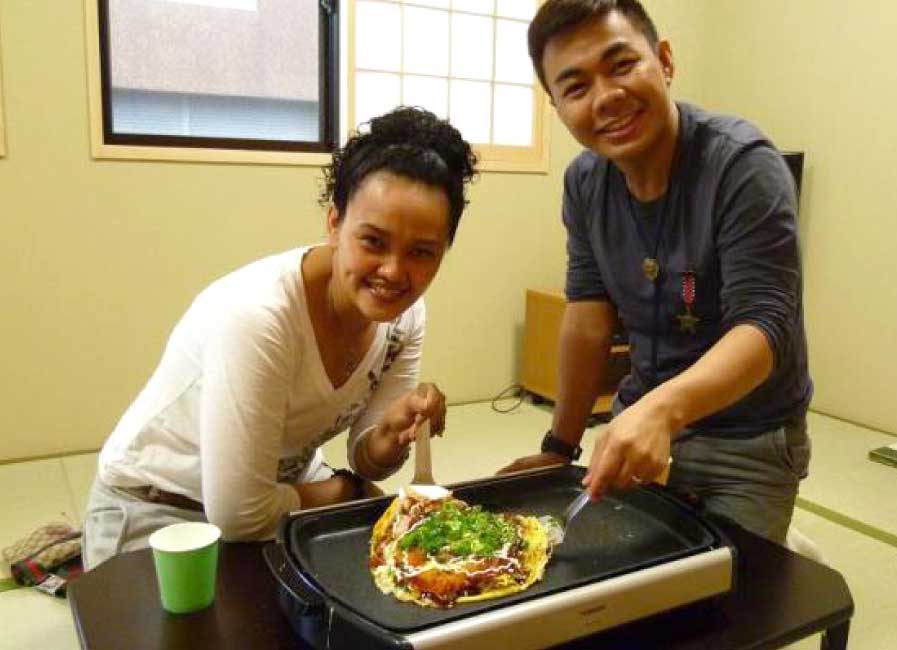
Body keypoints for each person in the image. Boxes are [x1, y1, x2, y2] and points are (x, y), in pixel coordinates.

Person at [82, 107, 478, 569]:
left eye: (421, 252)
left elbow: (367, 459)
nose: (393, 271)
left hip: (282, 487)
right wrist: (342, 492)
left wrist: (391, 434)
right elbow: (239, 516)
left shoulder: (404, 317)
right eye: (373, 241)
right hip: (162, 507)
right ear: (335, 222)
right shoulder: (260, 318)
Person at [502, 0, 812, 545]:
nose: (606, 97)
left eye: (621, 65)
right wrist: (559, 447)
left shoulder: (743, 166)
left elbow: (764, 329)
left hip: (750, 437)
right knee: (587, 576)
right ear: (556, 105)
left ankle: (784, 550)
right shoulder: (585, 182)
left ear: (664, 60)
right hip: (639, 417)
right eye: (575, 87)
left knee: (716, 607)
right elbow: (588, 317)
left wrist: (663, 413)